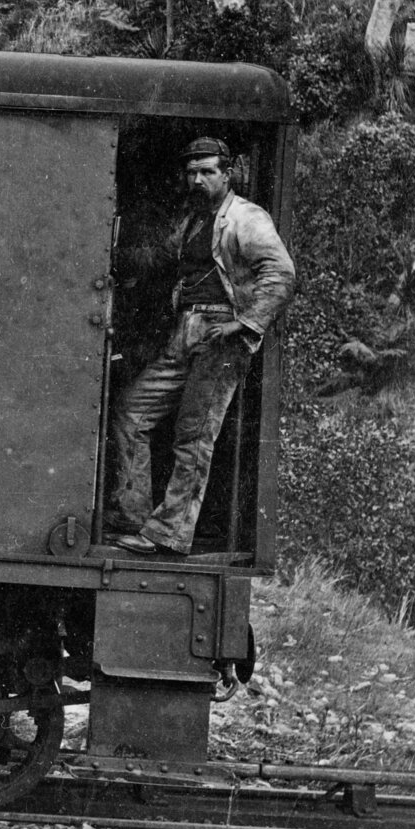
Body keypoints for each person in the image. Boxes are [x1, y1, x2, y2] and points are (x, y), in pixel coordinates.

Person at [105, 137, 296, 557]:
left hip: (219, 337)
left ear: (227, 175)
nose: (198, 179)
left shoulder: (245, 217)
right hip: (185, 330)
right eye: (192, 171)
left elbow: (280, 273)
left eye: (208, 171)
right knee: (131, 413)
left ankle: (169, 535)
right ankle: (134, 519)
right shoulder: (194, 220)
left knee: (193, 435)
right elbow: (159, 257)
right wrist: (107, 255)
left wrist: (242, 324)